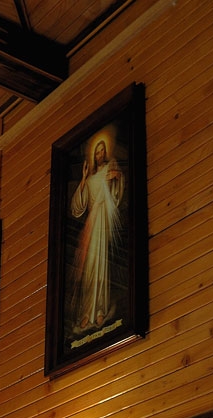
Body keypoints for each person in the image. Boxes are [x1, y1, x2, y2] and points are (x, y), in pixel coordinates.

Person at [67, 134, 124, 336]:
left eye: (102, 151)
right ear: (93, 156)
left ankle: (99, 310)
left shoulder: (109, 169)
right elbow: (78, 207)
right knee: (89, 268)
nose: (100, 155)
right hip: (91, 224)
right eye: (97, 152)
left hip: (102, 221)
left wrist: (116, 177)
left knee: (101, 265)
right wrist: (83, 179)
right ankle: (86, 313)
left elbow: (117, 188)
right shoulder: (90, 179)